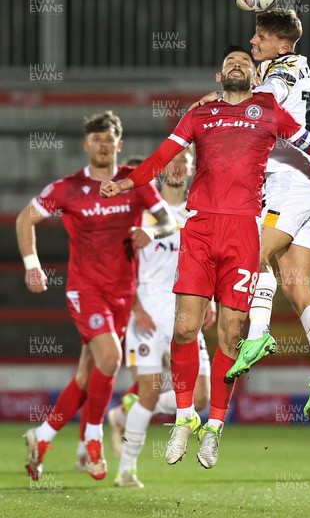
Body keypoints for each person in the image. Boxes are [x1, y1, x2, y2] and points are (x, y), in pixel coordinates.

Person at [100, 48, 310, 468]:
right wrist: (125, 184)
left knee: (230, 336)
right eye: (231, 62)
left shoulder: (268, 110)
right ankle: (185, 417)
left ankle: (215, 428)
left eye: (245, 60)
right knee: (186, 327)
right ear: (219, 74)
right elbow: (158, 160)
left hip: (244, 231)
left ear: (254, 73)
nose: (239, 64)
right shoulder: (198, 115)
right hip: (201, 228)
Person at [191, 10, 310, 417]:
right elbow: (308, 138)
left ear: (281, 44)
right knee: (297, 286)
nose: (252, 41)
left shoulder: (284, 70)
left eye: (259, 36)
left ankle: (258, 336)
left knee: (249, 255)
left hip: (287, 183)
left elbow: (263, 100)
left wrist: (222, 100)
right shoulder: (288, 69)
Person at [17, 111, 176, 481]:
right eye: (97, 139)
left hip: (122, 294)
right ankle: (93, 439)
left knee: (90, 374)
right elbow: (25, 218)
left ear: (119, 145)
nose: (104, 145)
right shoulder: (68, 187)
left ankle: (40, 439)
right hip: (84, 290)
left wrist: (153, 233)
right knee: (111, 357)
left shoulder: (133, 183)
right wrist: (31, 264)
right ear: (86, 145)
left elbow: (166, 219)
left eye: (110, 139)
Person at [113, 148, 212, 488]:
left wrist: (208, 300)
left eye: (186, 161)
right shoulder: (143, 212)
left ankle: (128, 409)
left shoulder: (198, 212)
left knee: (200, 398)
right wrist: (135, 308)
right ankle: (127, 469)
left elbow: (204, 261)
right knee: (150, 393)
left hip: (185, 309)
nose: (180, 166)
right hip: (147, 311)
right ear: (162, 167)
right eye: (174, 160)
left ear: (191, 169)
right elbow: (121, 265)